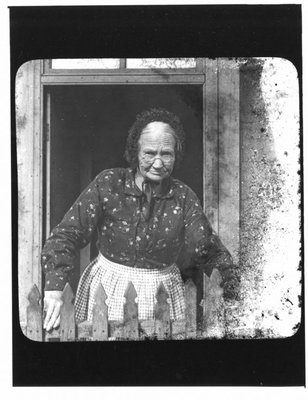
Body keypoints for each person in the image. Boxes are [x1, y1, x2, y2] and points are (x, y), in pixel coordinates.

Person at [42, 108, 238, 331]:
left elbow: (207, 248)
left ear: (176, 155)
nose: (158, 162)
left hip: (164, 293)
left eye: (166, 154)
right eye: (149, 153)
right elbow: (66, 235)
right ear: (135, 153)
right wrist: (54, 289)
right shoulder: (108, 183)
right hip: (108, 289)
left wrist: (236, 291)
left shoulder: (183, 197)